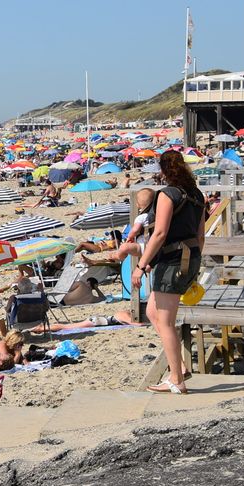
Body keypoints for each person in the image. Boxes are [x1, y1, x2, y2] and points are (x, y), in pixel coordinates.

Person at [134, 150, 206, 395]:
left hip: (173, 260)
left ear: (163, 170)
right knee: (152, 311)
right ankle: (181, 367)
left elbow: (160, 233)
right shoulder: (197, 195)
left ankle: (176, 379)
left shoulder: (167, 194)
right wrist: (193, 264)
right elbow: (200, 236)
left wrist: (141, 264)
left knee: (165, 321)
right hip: (190, 257)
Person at [29, 309, 138, 334]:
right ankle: (41, 328)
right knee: (66, 327)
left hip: (96, 321)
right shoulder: (124, 314)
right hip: (95, 322)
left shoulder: (124, 313)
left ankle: (42, 328)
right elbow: (134, 324)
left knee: (66, 326)